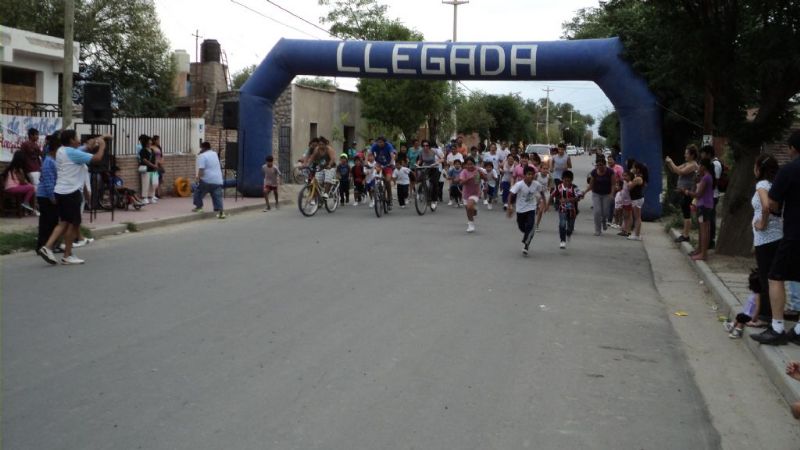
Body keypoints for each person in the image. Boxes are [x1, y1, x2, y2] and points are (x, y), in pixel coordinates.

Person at [752, 131, 800, 345]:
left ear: (792, 149)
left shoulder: (789, 171)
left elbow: (771, 204)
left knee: (775, 276)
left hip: (794, 234)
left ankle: (777, 327)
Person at [38, 131, 109, 265]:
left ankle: (48, 247)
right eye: (76, 138)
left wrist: (100, 138)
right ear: (71, 140)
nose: (79, 140)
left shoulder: (61, 151)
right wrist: (103, 146)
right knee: (73, 224)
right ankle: (67, 255)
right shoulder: (74, 153)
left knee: (64, 222)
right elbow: (97, 159)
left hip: (60, 191)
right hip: (71, 192)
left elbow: (84, 148)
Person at [750, 154, 781, 324]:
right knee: (773, 277)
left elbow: (766, 206)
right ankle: (770, 314)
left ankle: (765, 316)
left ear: (759, 169)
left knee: (765, 277)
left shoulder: (762, 184)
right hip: (777, 236)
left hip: (765, 239)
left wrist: (761, 223)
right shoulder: (775, 185)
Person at [507, 165, 547, 255]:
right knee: (522, 227)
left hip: (531, 207)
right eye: (528, 174)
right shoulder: (519, 184)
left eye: (532, 174)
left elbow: (542, 193)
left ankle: (526, 244)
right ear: (524, 175)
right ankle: (528, 236)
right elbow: (511, 195)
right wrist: (509, 207)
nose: (530, 176)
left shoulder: (536, 184)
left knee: (530, 225)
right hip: (520, 209)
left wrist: (545, 203)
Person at [682, 159, 715, 260]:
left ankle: (703, 254)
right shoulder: (707, 177)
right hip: (707, 205)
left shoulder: (706, 178)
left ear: (704, 167)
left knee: (704, 230)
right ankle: (700, 250)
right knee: (705, 230)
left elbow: (698, 194)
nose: (698, 168)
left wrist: (686, 192)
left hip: (703, 206)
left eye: (699, 166)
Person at [666, 145, 699, 243]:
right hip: (683, 192)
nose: (685, 155)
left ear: (692, 155)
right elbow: (674, 169)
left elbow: (680, 172)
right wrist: (669, 163)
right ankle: (685, 233)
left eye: (687, 153)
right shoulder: (687, 163)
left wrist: (671, 162)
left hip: (688, 192)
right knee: (685, 213)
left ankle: (686, 235)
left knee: (687, 213)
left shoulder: (693, 165)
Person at [36, 133, 59, 249]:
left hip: (49, 196)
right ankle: (44, 245)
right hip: (46, 196)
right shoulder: (49, 162)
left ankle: (50, 245)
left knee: (52, 221)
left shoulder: (53, 160)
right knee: (47, 222)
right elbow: (49, 182)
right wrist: (52, 198)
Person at [550, 170, 583, 249]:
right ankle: (562, 240)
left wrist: (569, 200)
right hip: (562, 209)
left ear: (572, 180)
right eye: (565, 180)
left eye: (569, 181)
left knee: (570, 227)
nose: (567, 182)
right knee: (562, 224)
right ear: (562, 179)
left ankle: (568, 233)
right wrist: (548, 204)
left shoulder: (574, 188)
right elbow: (552, 195)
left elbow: (579, 197)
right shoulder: (559, 187)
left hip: (573, 210)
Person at [724, 270, 762, 339]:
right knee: (740, 315)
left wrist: (753, 319)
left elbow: (757, 308)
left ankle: (738, 331)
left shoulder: (757, 296)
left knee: (741, 318)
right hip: (747, 313)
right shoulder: (754, 293)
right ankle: (732, 325)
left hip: (751, 316)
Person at [192, 142, 226, 219]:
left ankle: (199, 207)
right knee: (217, 196)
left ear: (203, 148)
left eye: (201, 148)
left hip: (207, 180)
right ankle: (220, 211)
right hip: (218, 180)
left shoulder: (203, 156)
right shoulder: (214, 154)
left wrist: (198, 178)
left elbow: (201, 169)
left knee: (198, 192)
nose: (200, 149)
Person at [586, 156, 617, 236]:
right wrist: (584, 192)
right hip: (596, 194)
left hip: (607, 194)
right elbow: (591, 185)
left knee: (605, 212)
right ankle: (597, 230)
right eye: (598, 165)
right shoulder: (594, 172)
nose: (599, 167)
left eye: (601, 165)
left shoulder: (610, 172)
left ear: (605, 165)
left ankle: (604, 221)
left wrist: (612, 194)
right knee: (597, 211)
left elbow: (613, 184)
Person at [699, 146, 722, 247]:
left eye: (703, 153)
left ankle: (710, 241)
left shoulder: (715, 164)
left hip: (712, 196)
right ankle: (707, 241)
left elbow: (715, 181)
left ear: (708, 154)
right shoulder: (711, 164)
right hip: (709, 196)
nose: (702, 156)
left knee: (709, 219)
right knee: (707, 219)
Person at [456, 157, 486, 233]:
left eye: (471, 164)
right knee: (469, 210)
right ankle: (474, 211)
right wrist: (470, 178)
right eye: (468, 164)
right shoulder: (464, 172)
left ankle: (471, 225)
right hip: (466, 194)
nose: (470, 166)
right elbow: (461, 183)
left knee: (469, 207)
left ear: (474, 164)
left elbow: (485, 179)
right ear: (465, 165)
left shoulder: (478, 170)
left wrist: (481, 174)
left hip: (475, 193)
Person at [370, 136, 396, 207]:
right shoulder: (375, 146)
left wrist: (391, 162)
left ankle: (390, 197)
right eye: (378, 142)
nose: (379, 144)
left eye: (381, 142)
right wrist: (366, 161)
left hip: (388, 165)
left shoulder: (388, 146)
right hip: (379, 164)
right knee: (375, 176)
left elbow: (392, 155)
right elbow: (369, 153)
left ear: (384, 142)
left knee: (387, 181)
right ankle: (376, 189)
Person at [417, 139, 441, 209]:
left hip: (434, 167)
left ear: (429, 146)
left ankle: (434, 201)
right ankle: (420, 192)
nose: (425, 147)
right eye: (423, 145)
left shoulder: (434, 150)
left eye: (427, 145)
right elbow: (420, 160)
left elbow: (442, 158)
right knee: (420, 178)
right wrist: (418, 163)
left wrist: (437, 162)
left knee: (434, 183)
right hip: (426, 167)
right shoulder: (421, 151)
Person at [627, 162, 647, 241]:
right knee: (637, 217)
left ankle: (637, 235)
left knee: (637, 217)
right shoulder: (637, 177)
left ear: (637, 169)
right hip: (636, 198)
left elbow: (630, 187)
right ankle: (636, 233)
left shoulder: (638, 178)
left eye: (633, 168)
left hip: (637, 199)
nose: (632, 169)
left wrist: (629, 181)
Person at [138, 135, 158, 204]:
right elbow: (144, 160)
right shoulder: (142, 150)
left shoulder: (152, 150)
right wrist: (152, 165)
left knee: (153, 183)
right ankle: (145, 197)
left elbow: (155, 158)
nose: (151, 141)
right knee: (145, 183)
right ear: (146, 142)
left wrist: (155, 165)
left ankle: (151, 196)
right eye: (149, 140)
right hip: (146, 169)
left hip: (153, 169)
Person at [614, 171, 633, 237]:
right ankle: (624, 230)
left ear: (630, 177)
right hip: (624, 201)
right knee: (625, 216)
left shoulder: (630, 183)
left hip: (628, 202)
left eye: (626, 176)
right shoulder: (624, 182)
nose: (624, 177)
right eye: (623, 176)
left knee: (628, 216)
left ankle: (628, 231)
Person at [534, 162, 552, 230]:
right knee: (533, 209)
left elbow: (550, 185)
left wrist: (549, 188)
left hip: (545, 194)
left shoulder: (549, 176)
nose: (545, 170)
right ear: (540, 169)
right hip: (536, 194)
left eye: (547, 169)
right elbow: (532, 183)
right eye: (544, 168)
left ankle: (537, 225)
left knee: (541, 211)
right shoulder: (536, 175)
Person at [152, 135, 164, 200]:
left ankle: (159, 193)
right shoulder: (151, 147)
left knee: (160, 179)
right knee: (155, 179)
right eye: (157, 140)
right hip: (155, 164)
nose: (158, 141)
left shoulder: (159, 147)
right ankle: (155, 193)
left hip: (160, 164)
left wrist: (162, 162)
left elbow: (161, 155)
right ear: (154, 140)